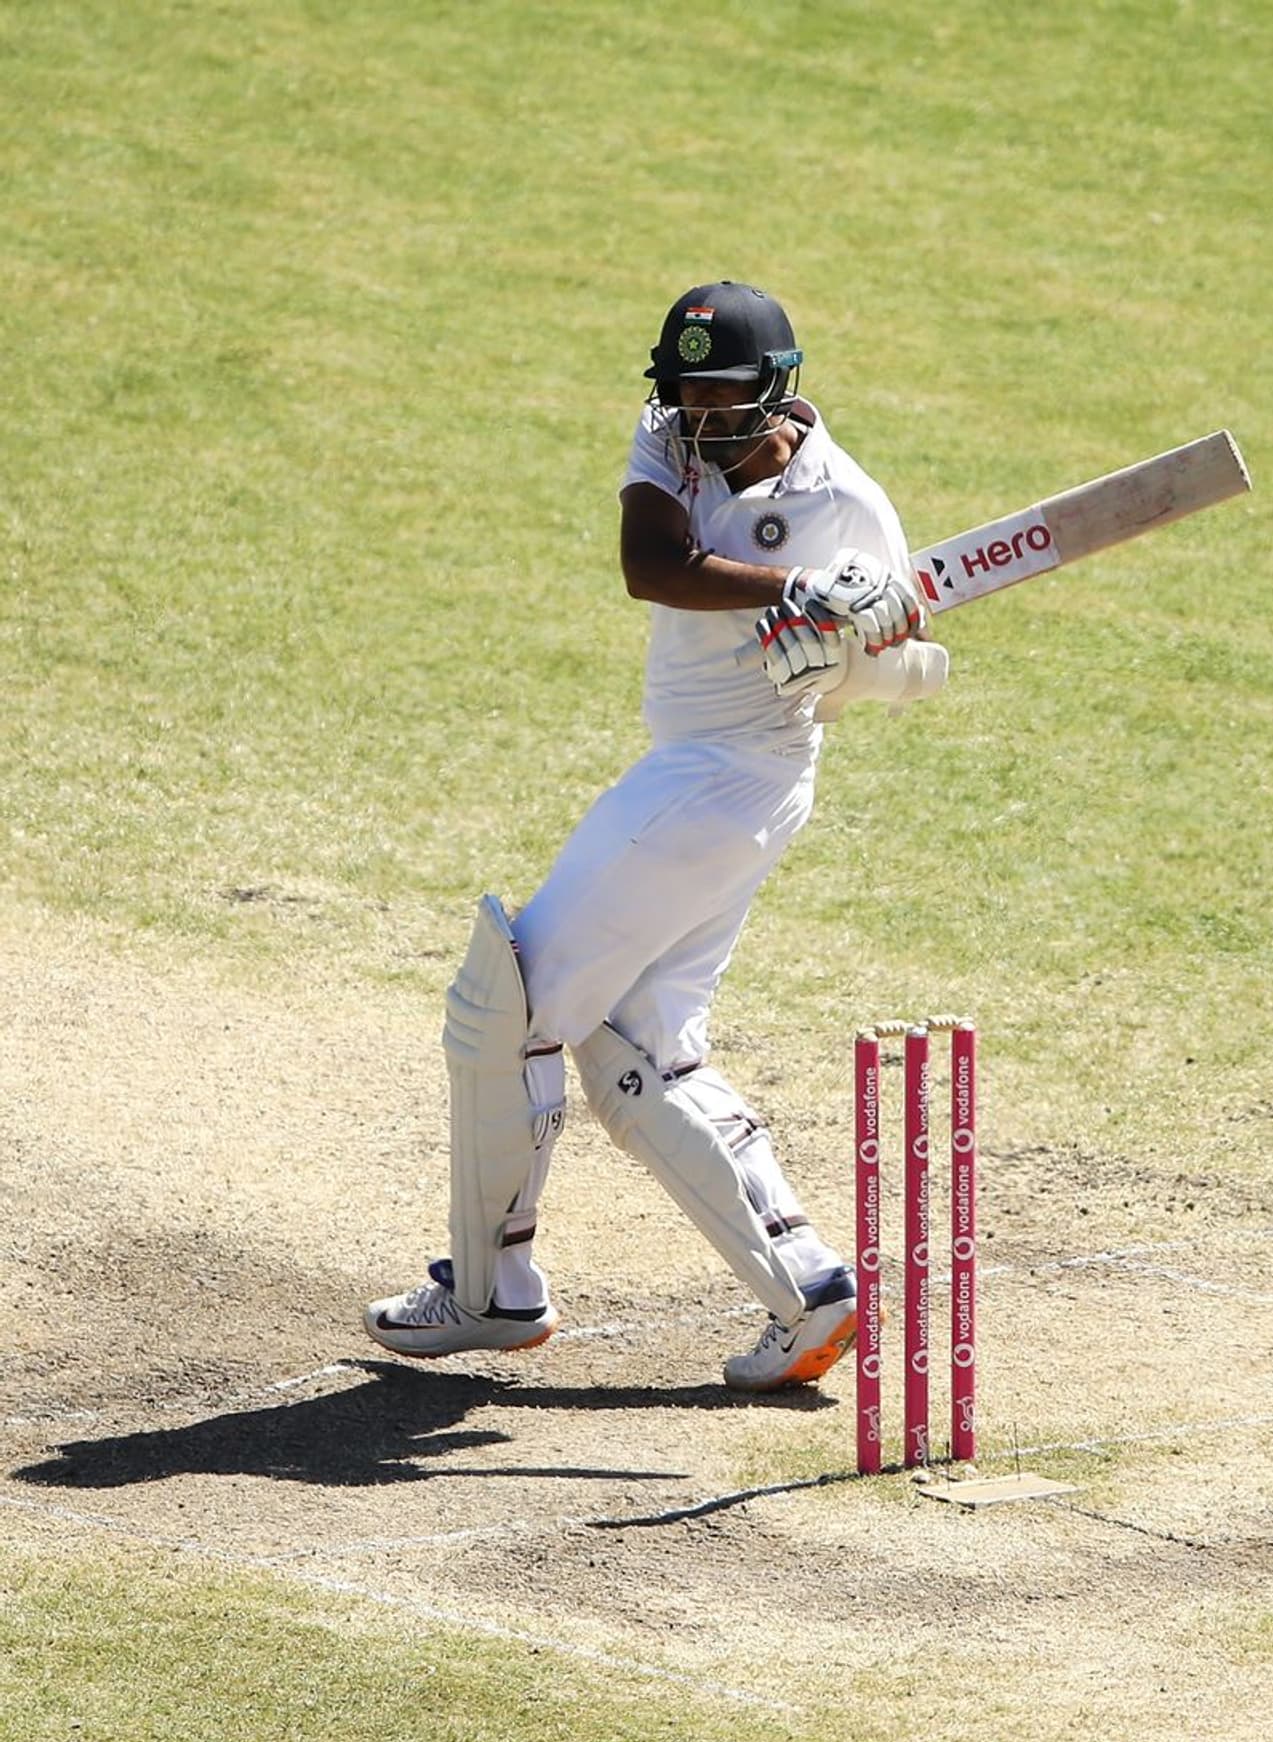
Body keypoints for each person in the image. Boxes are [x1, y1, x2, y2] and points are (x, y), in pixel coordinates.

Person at [364, 280, 948, 1389]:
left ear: (778, 391)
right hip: (693, 770)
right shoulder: (670, 437)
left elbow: (910, 666)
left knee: (510, 1002)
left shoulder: (851, 508)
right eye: (686, 395)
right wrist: (793, 590)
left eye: (726, 399)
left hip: (737, 772)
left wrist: (841, 661)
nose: (703, 417)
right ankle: (809, 1291)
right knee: (638, 1042)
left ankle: (491, 1292)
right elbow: (653, 566)